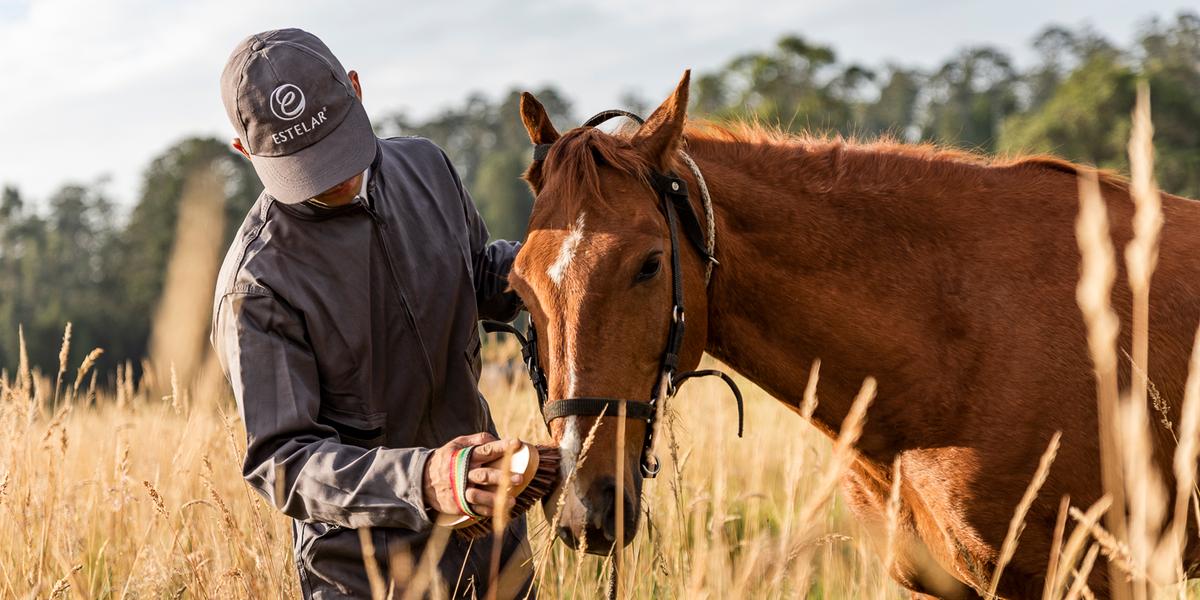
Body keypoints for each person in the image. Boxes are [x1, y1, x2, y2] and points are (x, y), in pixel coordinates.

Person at [210, 28, 533, 599]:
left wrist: (551, 265)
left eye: (336, 148)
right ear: (245, 151)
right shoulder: (257, 284)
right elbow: (284, 462)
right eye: (302, 165)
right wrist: (423, 479)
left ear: (358, 91)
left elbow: (480, 276)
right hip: (364, 570)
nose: (332, 178)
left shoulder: (427, 166)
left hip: (490, 538)